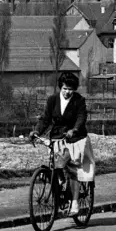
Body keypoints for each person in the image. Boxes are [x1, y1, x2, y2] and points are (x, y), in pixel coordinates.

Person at [30, 72, 95, 216]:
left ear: (74, 89)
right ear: (61, 87)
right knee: (56, 166)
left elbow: (81, 117)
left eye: (70, 89)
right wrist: (36, 131)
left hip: (74, 139)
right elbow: (45, 119)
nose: (67, 92)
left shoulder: (79, 101)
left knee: (72, 169)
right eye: (65, 88)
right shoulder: (52, 100)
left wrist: (75, 129)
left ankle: (75, 202)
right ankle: (60, 187)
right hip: (57, 137)